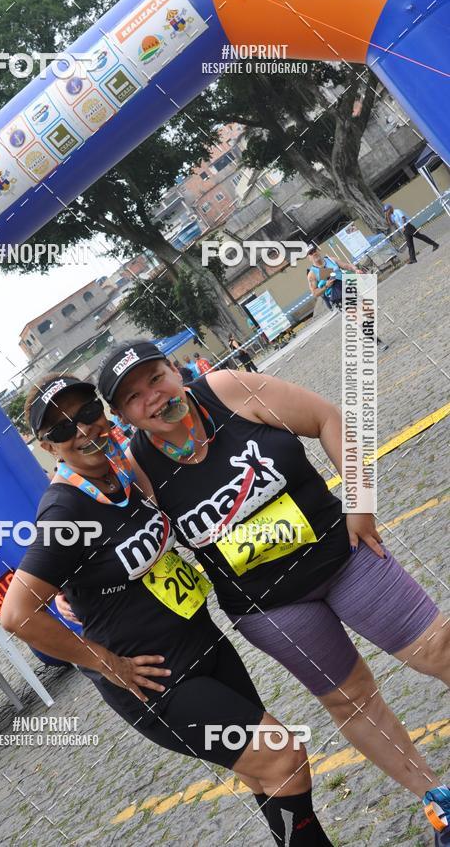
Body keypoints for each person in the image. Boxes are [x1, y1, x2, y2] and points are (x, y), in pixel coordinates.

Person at [95, 340, 450, 843]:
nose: (151, 398)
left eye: (155, 379)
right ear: (124, 415)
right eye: (133, 397)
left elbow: (327, 417)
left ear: (174, 370)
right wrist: (71, 590)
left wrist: (361, 500)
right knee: (352, 703)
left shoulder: (225, 391)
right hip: (272, 609)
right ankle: (439, 804)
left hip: (344, 556)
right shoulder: (139, 470)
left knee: (438, 648)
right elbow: (119, 540)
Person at [1, 373, 335, 846]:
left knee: (264, 774)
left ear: (104, 412)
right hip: (160, 684)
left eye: (88, 414)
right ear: (47, 446)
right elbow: (16, 614)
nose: (81, 431)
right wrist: (107, 664)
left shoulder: (124, 474)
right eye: (60, 430)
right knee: (283, 755)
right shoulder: (64, 511)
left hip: (204, 646)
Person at [307, 245, 389, 350]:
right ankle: (377, 341)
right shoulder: (312, 274)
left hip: (347, 288)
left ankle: (367, 332)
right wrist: (327, 285)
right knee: (358, 318)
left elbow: (346, 266)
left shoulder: (331, 259)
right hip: (337, 297)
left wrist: (355, 270)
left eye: (314, 250)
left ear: (318, 250)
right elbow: (315, 293)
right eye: (310, 253)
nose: (314, 253)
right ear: (308, 257)